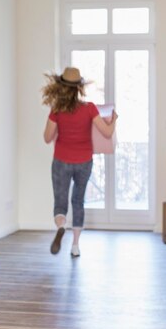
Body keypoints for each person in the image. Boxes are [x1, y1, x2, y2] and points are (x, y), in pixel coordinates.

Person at [42, 67, 117, 257]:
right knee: (78, 201)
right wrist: (113, 120)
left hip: (61, 160)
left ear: (61, 86)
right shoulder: (89, 108)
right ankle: (75, 246)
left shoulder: (56, 109)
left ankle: (61, 226)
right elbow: (107, 133)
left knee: (60, 202)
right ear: (79, 88)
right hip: (84, 161)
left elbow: (47, 137)